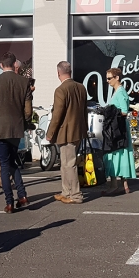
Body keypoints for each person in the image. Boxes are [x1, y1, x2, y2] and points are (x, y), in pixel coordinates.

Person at [0, 53, 33, 212]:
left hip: (0, 128)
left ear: (1, 65)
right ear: (14, 64)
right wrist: (24, 123)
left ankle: (9, 201)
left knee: (4, 164)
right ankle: (22, 195)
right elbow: (28, 110)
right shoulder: (24, 82)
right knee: (12, 162)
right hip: (16, 128)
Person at [47, 61, 87, 204]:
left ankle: (75, 195)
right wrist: (85, 129)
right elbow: (84, 111)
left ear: (58, 73)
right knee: (65, 163)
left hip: (66, 132)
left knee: (69, 164)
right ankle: (66, 192)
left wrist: (50, 133)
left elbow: (57, 114)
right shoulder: (81, 88)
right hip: (78, 130)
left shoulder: (61, 90)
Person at [101, 68, 136, 196]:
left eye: (109, 78)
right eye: (107, 78)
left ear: (117, 78)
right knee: (121, 153)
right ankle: (124, 185)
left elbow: (125, 111)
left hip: (117, 128)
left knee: (113, 153)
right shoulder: (119, 91)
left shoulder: (120, 92)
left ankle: (114, 185)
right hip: (119, 127)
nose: (107, 81)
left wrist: (111, 112)